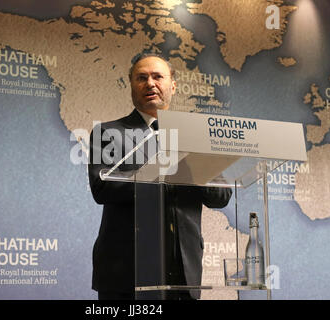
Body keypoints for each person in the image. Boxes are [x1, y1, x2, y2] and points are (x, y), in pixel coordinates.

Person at [88, 53, 232, 300]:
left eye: (158, 77)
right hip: (126, 274)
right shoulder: (109, 132)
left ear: (173, 85)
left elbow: (221, 195)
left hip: (183, 275)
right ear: (131, 85)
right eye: (141, 78)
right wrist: (162, 171)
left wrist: (192, 169)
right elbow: (103, 188)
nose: (150, 83)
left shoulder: (192, 136)